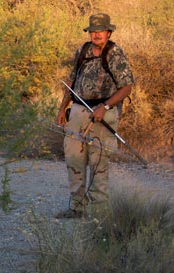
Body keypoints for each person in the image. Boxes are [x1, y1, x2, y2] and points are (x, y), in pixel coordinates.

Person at [55, 13, 134, 218]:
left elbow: (127, 87)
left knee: (98, 164)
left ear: (108, 32)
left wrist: (105, 107)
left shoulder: (114, 53)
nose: (96, 35)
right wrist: (63, 108)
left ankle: (98, 213)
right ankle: (77, 208)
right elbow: (71, 82)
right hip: (79, 111)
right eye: (93, 31)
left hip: (103, 114)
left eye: (100, 31)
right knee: (74, 160)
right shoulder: (82, 50)